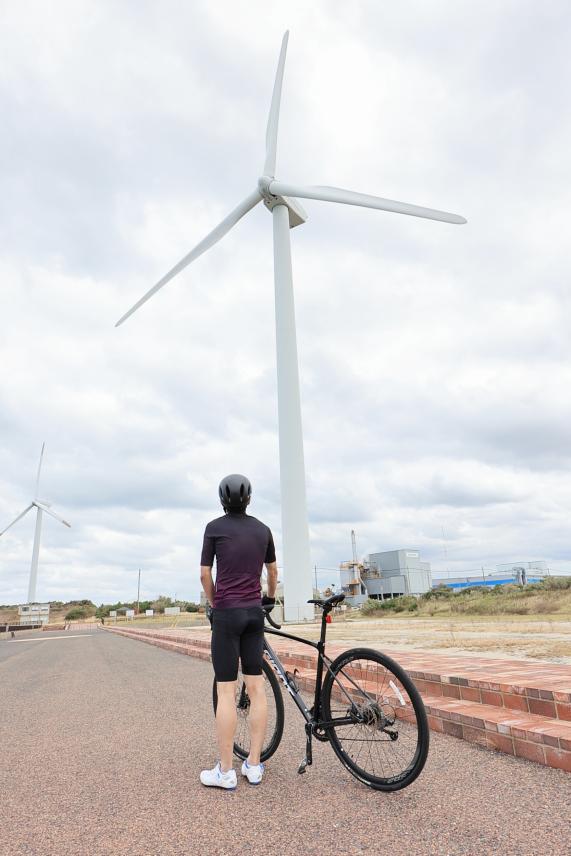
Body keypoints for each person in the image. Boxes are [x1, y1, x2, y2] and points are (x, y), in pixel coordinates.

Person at [199, 474, 278, 790]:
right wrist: (268, 599)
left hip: (227, 614)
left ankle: (226, 771)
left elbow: (205, 573)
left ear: (221, 499)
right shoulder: (263, 529)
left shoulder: (213, 528)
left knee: (226, 690)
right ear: (249, 498)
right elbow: (272, 571)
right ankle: (255, 765)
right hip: (254, 614)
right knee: (256, 688)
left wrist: (216, 602)